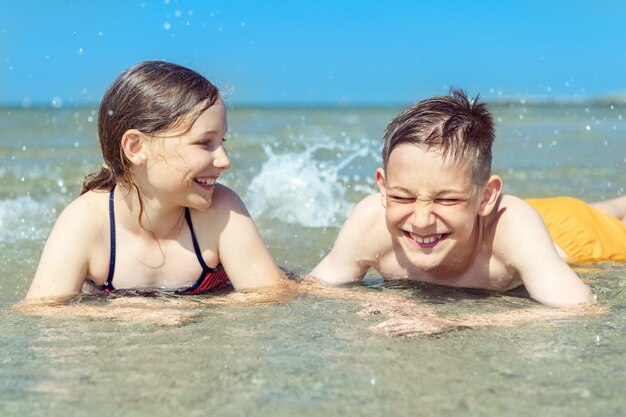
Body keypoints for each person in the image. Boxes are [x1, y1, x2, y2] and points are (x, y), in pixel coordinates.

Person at [311, 88, 626, 307]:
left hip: (575, 236)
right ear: (383, 187)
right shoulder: (370, 222)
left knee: (601, 216)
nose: (420, 221)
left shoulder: (513, 227)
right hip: (525, 217)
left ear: (486, 196)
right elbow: (314, 289)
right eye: (402, 198)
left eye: (446, 200)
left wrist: (458, 323)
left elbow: (580, 308)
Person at [25, 61, 284, 300]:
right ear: (136, 148)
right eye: (205, 143)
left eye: (221, 142)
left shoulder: (222, 211)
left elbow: (272, 297)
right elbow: (42, 313)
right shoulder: (87, 222)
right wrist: (123, 314)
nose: (224, 160)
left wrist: (172, 308)